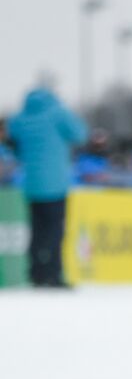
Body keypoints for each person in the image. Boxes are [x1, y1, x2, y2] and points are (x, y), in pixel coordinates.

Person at [6, 77, 88, 288]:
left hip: (31, 184)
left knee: (37, 230)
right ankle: (53, 274)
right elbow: (80, 134)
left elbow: (12, 140)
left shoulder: (19, 118)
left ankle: (35, 273)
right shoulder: (57, 113)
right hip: (55, 183)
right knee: (54, 231)